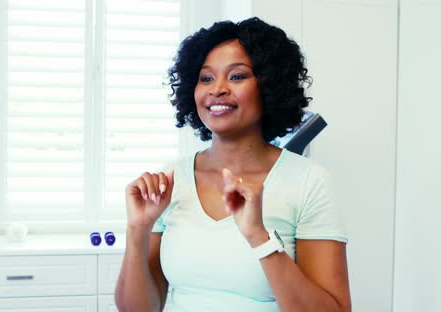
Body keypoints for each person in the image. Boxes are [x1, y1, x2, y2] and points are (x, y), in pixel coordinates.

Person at [115, 17, 351, 312]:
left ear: (269, 86)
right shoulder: (171, 179)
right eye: (206, 78)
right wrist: (138, 230)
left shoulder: (308, 181)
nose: (218, 89)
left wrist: (259, 237)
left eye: (237, 76)